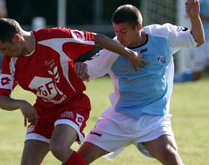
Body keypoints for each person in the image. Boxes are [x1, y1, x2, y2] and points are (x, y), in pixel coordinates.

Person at [0, 18, 146, 165]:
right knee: (28, 163)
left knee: (58, 148)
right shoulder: (10, 62)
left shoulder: (54, 38)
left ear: (17, 38)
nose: (3, 54)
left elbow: (96, 38)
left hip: (72, 104)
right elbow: (2, 99)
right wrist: (21, 103)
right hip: (44, 111)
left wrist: (129, 54)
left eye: (4, 48)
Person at [75, 1, 204, 165]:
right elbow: (86, 71)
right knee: (77, 161)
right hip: (118, 120)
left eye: (123, 31)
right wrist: (79, 66)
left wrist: (194, 17)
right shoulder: (112, 50)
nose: (119, 37)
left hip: (154, 121)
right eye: (116, 32)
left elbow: (197, 40)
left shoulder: (163, 34)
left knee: (173, 159)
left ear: (138, 26)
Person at [174, 0, 209, 82]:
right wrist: (203, 18)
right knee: (197, 75)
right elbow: (187, 14)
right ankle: (174, 79)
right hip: (199, 39)